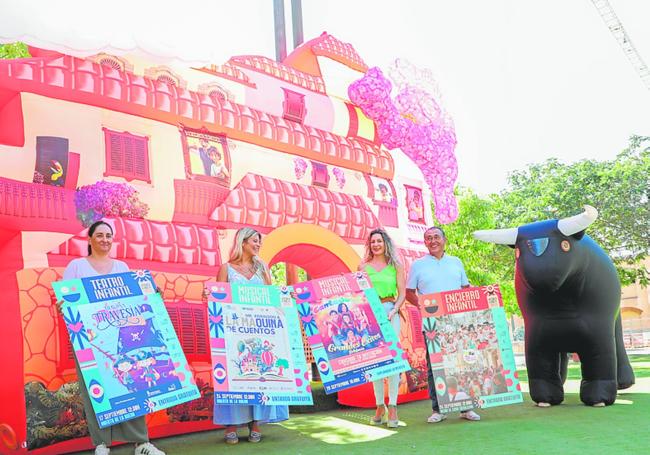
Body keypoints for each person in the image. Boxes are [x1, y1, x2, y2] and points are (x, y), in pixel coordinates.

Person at [59, 220, 165, 455]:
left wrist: (152, 295)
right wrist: (63, 304)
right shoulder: (76, 266)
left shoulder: (122, 267)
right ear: (89, 239)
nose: (105, 240)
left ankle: (141, 443)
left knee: (131, 384)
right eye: (99, 235)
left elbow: (135, 300)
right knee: (95, 389)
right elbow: (66, 301)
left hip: (123, 340)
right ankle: (101, 444)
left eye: (109, 235)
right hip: (88, 340)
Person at [212, 227, 289, 444]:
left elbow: (273, 297)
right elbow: (218, 299)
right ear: (242, 242)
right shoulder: (226, 268)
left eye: (259, 242)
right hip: (234, 330)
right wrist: (209, 296)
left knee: (259, 373)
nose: (258, 245)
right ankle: (231, 423)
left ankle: (256, 422)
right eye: (255, 241)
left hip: (259, 331)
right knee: (236, 372)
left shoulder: (262, 268)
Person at [405, 226, 481, 423]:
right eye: (428, 238)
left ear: (444, 240)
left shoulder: (456, 262)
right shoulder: (418, 265)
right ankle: (438, 409)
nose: (433, 241)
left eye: (436, 237)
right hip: (431, 324)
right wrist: (422, 306)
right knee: (435, 367)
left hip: (457, 322)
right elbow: (409, 291)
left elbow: (465, 288)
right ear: (425, 243)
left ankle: (466, 408)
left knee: (462, 365)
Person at [358, 228, 406, 429]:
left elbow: (402, 293)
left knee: (393, 360)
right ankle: (380, 406)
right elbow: (357, 291)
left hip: (389, 311)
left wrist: (394, 310)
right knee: (376, 361)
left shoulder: (396, 265)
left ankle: (393, 406)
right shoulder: (363, 266)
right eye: (372, 241)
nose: (376, 244)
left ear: (385, 242)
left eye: (379, 240)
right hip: (370, 314)